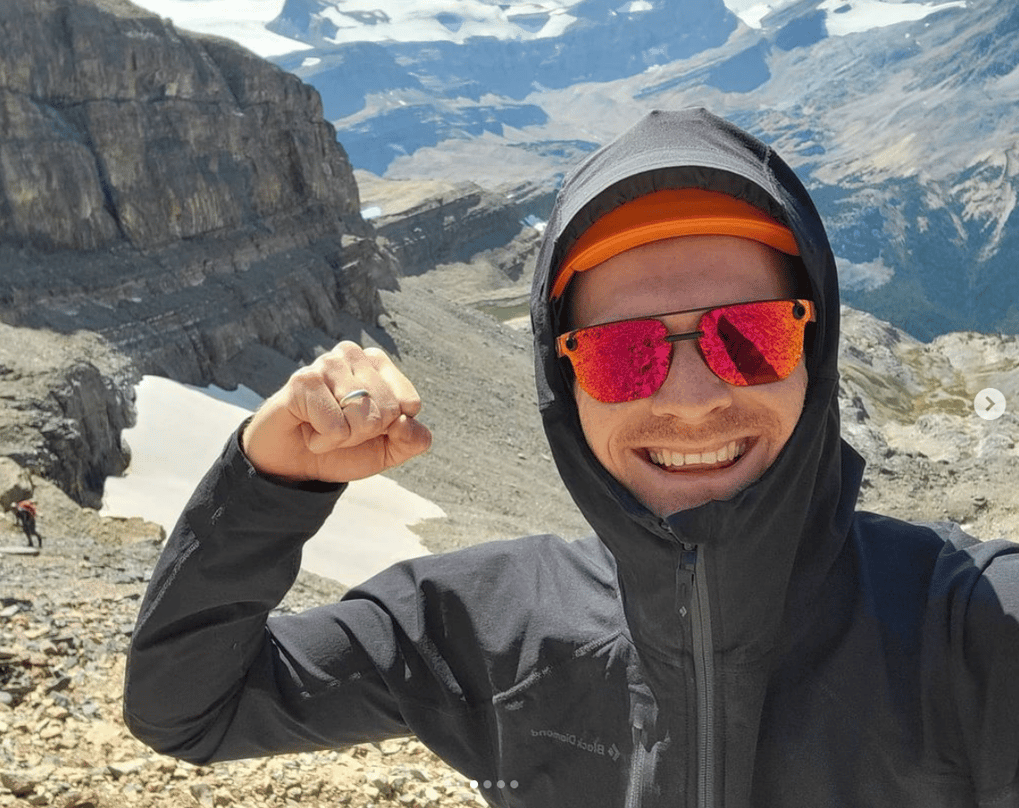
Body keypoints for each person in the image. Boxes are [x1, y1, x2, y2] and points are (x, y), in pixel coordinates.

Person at [123, 109, 1018, 806]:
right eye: (624, 355)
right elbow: (190, 708)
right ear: (566, 385)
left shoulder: (974, 629)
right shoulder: (478, 628)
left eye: (748, 337)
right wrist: (271, 481)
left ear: (815, 354)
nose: (694, 398)